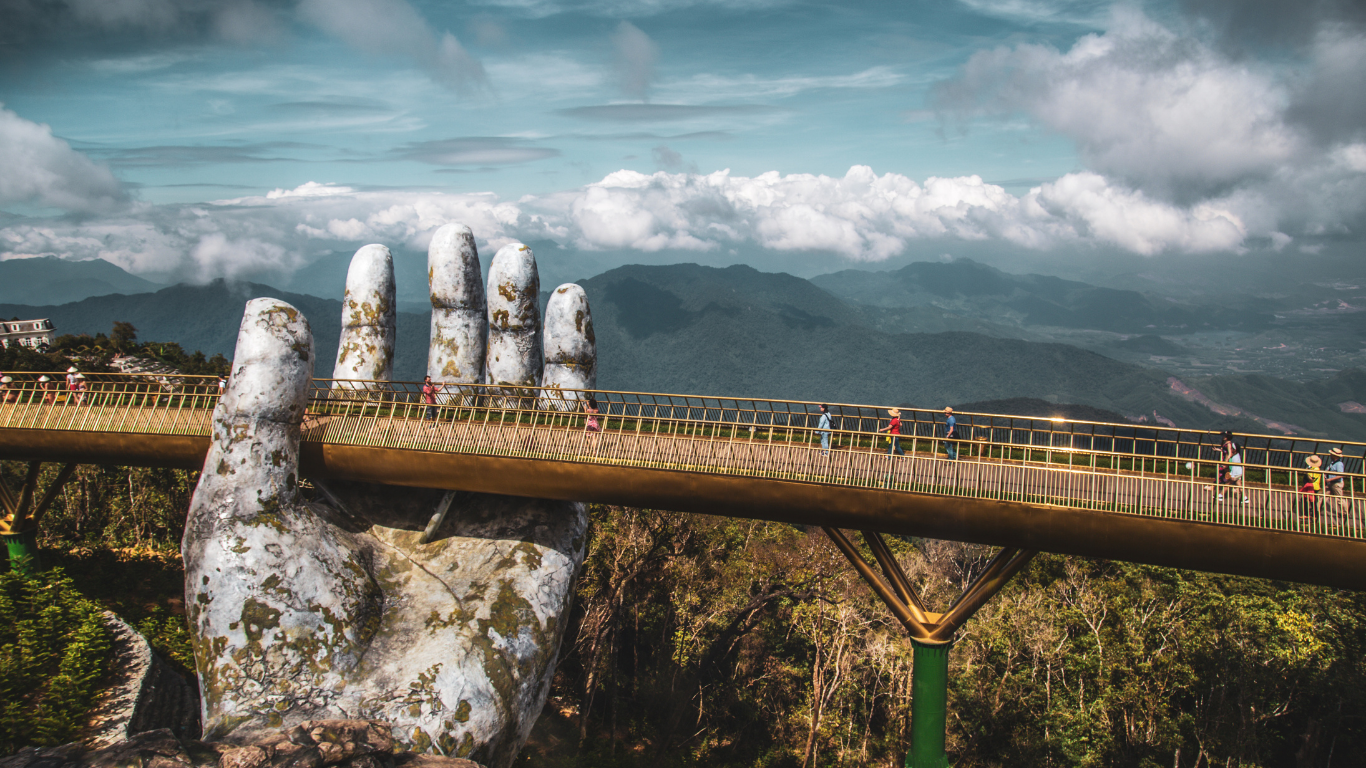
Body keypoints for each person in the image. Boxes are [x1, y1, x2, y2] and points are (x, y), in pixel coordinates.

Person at [1300, 455, 1323, 524]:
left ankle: (1315, 515)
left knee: (1312, 501)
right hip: (1310, 486)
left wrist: (1307, 473)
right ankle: (1307, 514)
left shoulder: (1316, 469)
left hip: (1313, 487)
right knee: (1305, 499)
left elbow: (1311, 479)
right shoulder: (1311, 468)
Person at [1326, 447, 1348, 517]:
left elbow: (1341, 475)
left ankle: (1345, 513)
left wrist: (1330, 479)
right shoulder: (1334, 463)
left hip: (1336, 483)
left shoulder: (1339, 464)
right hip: (1331, 483)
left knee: (1339, 499)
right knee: (1323, 496)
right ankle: (1317, 509)